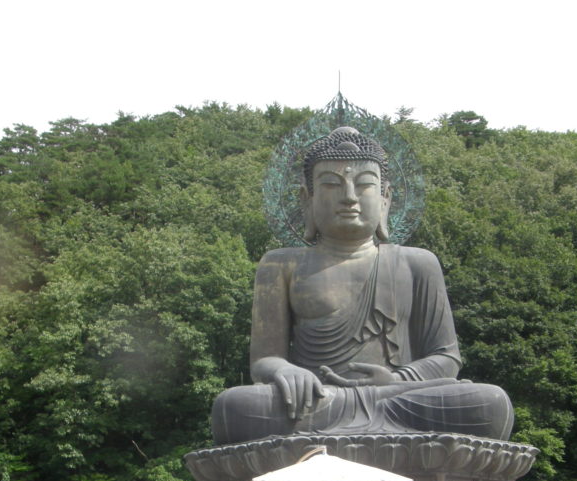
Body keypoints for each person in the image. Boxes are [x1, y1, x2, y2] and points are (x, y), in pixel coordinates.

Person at [211, 126, 514, 445]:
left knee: (489, 403)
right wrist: (284, 371)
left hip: (398, 398)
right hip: (318, 402)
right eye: (331, 184)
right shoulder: (280, 264)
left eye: (365, 184)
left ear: (386, 198)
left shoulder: (418, 262)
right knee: (234, 408)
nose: (349, 197)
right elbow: (263, 360)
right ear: (307, 199)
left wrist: (396, 379)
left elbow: (447, 358)